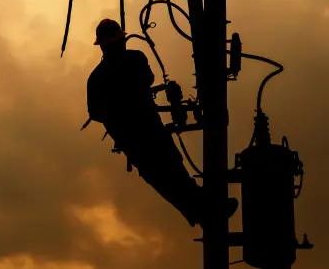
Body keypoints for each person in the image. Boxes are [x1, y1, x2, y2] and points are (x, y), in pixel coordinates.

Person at [85, 18, 238, 228]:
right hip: (143, 134)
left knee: (168, 176)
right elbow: (142, 81)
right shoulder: (130, 62)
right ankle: (203, 211)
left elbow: (96, 111)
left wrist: (116, 113)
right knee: (170, 173)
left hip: (139, 137)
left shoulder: (99, 77)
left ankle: (202, 211)